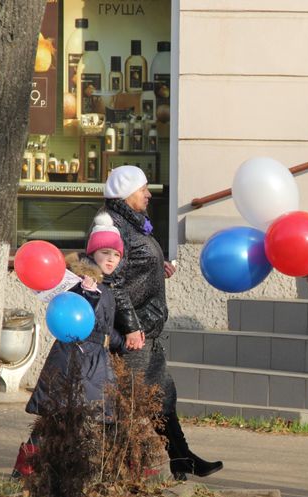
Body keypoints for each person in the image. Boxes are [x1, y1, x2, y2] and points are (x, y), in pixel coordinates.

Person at [91, 165, 222, 480]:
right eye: (143, 189)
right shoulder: (110, 225)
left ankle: (181, 459)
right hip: (131, 332)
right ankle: (116, 469)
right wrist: (132, 326)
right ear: (126, 193)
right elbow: (112, 281)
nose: (149, 195)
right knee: (135, 401)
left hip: (146, 327)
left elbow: (131, 265)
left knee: (162, 393)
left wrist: (154, 268)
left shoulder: (131, 223)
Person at [12, 225, 127, 477]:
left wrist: (122, 340)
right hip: (73, 360)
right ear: (93, 254)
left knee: (96, 418)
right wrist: (88, 294)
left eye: (116, 255)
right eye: (105, 252)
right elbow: (77, 318)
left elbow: (103, 329)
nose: (110, 259)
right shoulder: (76, 283)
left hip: (96, 362)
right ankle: (27, 469)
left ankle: (96, 472)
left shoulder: (105, 288)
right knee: (57, 417)